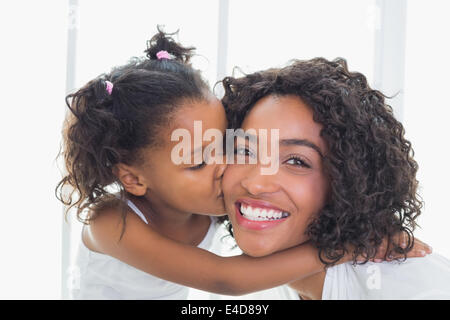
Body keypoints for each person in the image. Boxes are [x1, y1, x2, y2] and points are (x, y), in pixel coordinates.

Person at [56, 29, 429, 300]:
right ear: (134, 179)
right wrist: (352, 246)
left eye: (228, 145)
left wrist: (370, 226)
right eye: (199, 160)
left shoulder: (207, 202)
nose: (227, 168)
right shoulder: (111, 223)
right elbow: (226, 280)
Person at [221, 57, 450, 299]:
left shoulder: (413, 290)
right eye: (244, 152)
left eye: (297, 161)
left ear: (348, 185)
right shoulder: (264, 285)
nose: (255, 184)